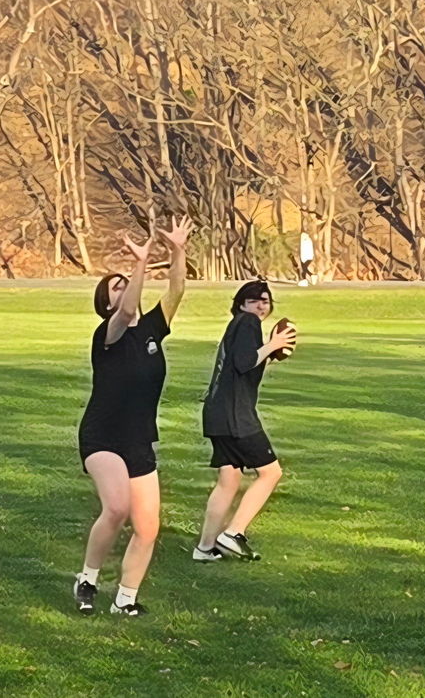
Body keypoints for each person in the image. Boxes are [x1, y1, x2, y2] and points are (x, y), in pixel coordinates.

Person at [73, 215, 192, 616]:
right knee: (117, 507)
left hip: (139, 438)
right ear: (106, 303)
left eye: (127, 284)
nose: (125, 291)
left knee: (148, 526)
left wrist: (177, 250)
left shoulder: (153, 329)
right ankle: (87, 578)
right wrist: (140, 263)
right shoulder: (108, 332)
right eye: (116, 288)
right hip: (102, 437)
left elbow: (176, 290)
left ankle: (125, 599)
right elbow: (125, 315)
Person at [193, 280, 296, 562]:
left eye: (265, 301)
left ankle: (204, 548)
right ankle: (233, 533)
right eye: (254, 300)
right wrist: (273, 344)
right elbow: (243, 362)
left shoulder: (239, 326)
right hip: (235, 415)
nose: (261, 305)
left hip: (216, 413)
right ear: (241, 304)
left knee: (229, 479)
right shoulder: (248, 322)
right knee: (271, 473)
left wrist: (270, 353)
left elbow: (243, 366)